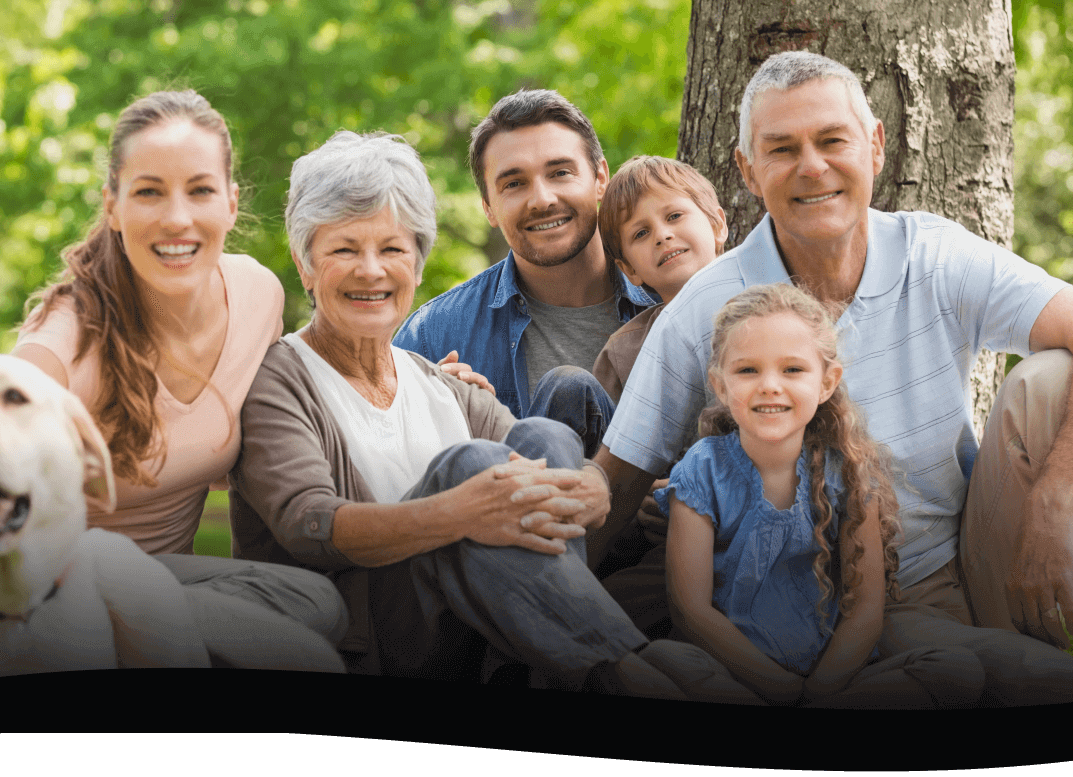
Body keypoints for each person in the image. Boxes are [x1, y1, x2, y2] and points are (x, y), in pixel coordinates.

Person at [597, 51, 1073, 704]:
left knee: (1059, 376)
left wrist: (1051, 510)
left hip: (983, 556)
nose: (813, 167)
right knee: (984, 671)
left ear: (876, 146)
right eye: (782, 148)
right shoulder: (704, 308)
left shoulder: (933, 253)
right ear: (746, 170)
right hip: (848, 603)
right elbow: (619, 478)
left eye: (833, 140)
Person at [228, 129, 740, 700]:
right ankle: (627, 669)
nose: (371, 270)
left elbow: (546, 475)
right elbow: (308, 526)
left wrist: (606, 490)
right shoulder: (279, 376)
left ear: (417, 266)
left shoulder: (440, 383)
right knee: (470, 464)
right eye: (344, 250)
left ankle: (572, 662)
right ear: (305, 264)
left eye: (393, 249)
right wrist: (457, 512)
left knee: (547, 431)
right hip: (373, 639)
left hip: (486, 633)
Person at [13, 90, 348, 673]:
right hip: (57, 589)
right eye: (148, 192)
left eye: (199, 190)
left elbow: (291, 401)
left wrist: (415, 380)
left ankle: (147, 642)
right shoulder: (62, 343)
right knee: (309, 659)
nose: (176, 218)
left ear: (231, 204)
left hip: (167, 580)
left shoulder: (257, 294)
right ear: (112, 206)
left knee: (317, 603)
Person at [666, 283, 984, 708]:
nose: (770, 386)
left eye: (793, 370)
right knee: (661, 659)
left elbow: (866, 611)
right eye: (747, 371)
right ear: (720, 385)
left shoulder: (848, 472)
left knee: (958, 670)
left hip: (831, 681)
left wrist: (816, 693)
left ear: (827, 382)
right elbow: (690, 610)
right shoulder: (702, 470)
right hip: (730, 674)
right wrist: (777, 688)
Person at [392, 89, 656, 458]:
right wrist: (435, 420)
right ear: (488, 207)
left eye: (560, 173)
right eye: (514, 184)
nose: (542, 199)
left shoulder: (674, 299)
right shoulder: (434, 336)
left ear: (600, 179)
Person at [588, 156, 727, 633]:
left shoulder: (773, 309)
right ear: (629, 269)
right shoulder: (625, 351)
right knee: (615, 610)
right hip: (668, 545)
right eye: (641, 234)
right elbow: (609, 462)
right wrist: (646, 494)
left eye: (673, 217)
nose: (663, 235)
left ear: (717, 224)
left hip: (764, 518)